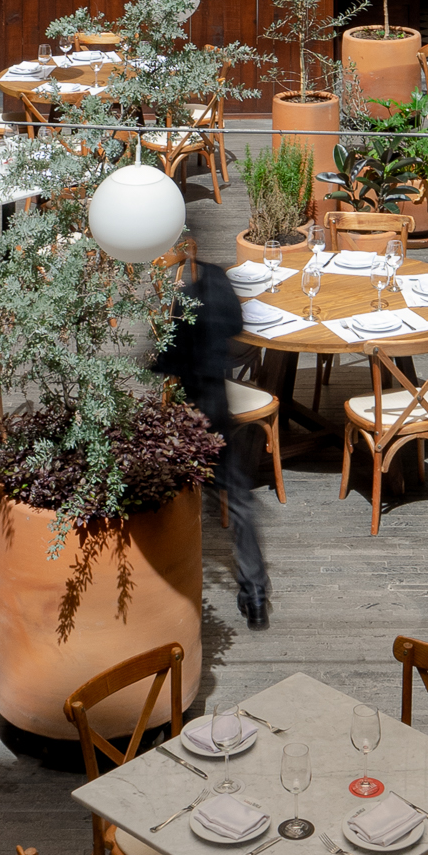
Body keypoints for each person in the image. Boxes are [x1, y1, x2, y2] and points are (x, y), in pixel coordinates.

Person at [155, 254, 269, 629]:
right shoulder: (218, 282)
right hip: (220, 409)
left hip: (190, 415)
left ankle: (166, 580)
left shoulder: (186, 298)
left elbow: (167, 361)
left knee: (179, 494)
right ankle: (254, 593)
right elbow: (237, 326)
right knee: (236, 502)